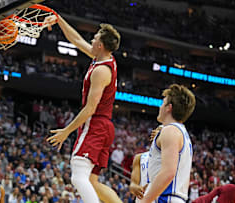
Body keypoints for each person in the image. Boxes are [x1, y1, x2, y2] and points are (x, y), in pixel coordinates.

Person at [44, 12, 121, 203]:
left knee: (78, 176)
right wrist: (58, 18)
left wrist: (66, 131)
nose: (91, 40)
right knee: (92, 182)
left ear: (100, 45)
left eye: (94, 38)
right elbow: (77, 40)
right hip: (104, 126)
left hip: (95, 124)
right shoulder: (103, 58)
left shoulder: (101, 71)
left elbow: (90, 109)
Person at [140, 84, 196, 203]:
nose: (160, 107)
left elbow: (168, 172)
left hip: (166, 199)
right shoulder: (179, 132)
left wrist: (145, 200)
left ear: (168, 108)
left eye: (162, 103)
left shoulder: (170, 131)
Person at [129, 125, 162, 202]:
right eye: (158, 131)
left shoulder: (172, 158)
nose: (159, 134)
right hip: (142, 199)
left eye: (162, 133)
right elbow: (133, 184)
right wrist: (135, 188)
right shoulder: (139, 157)